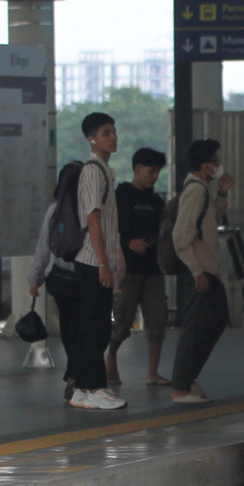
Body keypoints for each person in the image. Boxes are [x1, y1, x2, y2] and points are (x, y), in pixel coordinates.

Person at [68, 112, 127, 411]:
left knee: (93, 325)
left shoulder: (105, 170)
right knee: (96, 327)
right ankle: (93, 387)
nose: (113, 137)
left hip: (97, 261)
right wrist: (104, 263)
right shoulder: (93, 170)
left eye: (114, 131)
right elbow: (93, 218)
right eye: (106, 133)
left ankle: (82, 388)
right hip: (92, 261)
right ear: (92, 139)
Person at [170, 139, 232, 403]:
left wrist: (222, 193)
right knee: (195, 328)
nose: (218, 166)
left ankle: (187, 377)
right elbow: (181, 236)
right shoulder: (195, 190)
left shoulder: (203, 190)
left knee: (216, 319)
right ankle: (180, 386)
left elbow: (210, 222)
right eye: (216, 161)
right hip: (198, 270)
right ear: (205, 165)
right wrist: (196, 272)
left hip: (207, 269)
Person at [106, 147, 168, 387]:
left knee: (157, 319)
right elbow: (108, 230)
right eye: (151, 172)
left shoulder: (156, 201)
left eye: (157, 173)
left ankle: (153, 372)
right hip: (127, 269)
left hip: (153, 269)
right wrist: (128, 243)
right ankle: (111, 355)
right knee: (122, 320)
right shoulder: (120, 196)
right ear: (137, 169)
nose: (154, 177)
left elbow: (162, 231)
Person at [28, 199, 79, 398]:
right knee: (84, 327)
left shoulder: (55, 209)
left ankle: (74, 373)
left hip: (61, 279)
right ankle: (79, 373)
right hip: (88, 278)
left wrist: (35, 277)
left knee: (69, 327)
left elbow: (44, 246)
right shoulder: (93, 206)